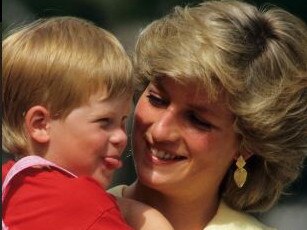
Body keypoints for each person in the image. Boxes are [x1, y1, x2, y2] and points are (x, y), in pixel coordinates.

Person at [109, 0, 307, 229]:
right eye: (157, 100)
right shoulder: (66, 213)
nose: (160, 130)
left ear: (247, 144)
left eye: (197, 120)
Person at [2, 16, 173, 230]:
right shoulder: (83, 204)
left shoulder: (9, 187)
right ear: (40, 124)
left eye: (122, 121)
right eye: (104, 122)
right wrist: (152, 221)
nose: (121, 136)